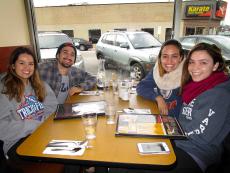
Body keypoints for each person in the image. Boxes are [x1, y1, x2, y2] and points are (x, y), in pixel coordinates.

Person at [110, 43, 230, 173]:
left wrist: (163, 131)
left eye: (203, 63)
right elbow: (143, 87)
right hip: (175, 140)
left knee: (131, 166)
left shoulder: (219, 94)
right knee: (125, 157)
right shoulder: (194, 84)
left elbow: (200, 135)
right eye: (192, 62)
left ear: (215, 65)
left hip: (194, 153)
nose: (195, 68)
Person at [0, 47, 58, 163]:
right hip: (17, 142)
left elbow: (52, 108)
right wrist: (34, 124)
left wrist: (43, 124)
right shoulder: (3, 89)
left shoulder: (40, 85)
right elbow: (2, 128)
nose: (27, 68)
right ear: (12, 66)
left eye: (31, 64)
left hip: (42, 133)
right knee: (65, 156)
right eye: (22, 63)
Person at [136, 39, 184, 118]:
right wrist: (158, 98)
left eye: (174, 56)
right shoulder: (157, 71)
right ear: (160, 58)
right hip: (160, 117)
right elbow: (141, 87)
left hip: (178, 122)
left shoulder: (187, 73)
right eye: (165, 56)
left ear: (180, 58)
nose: (169, 61)